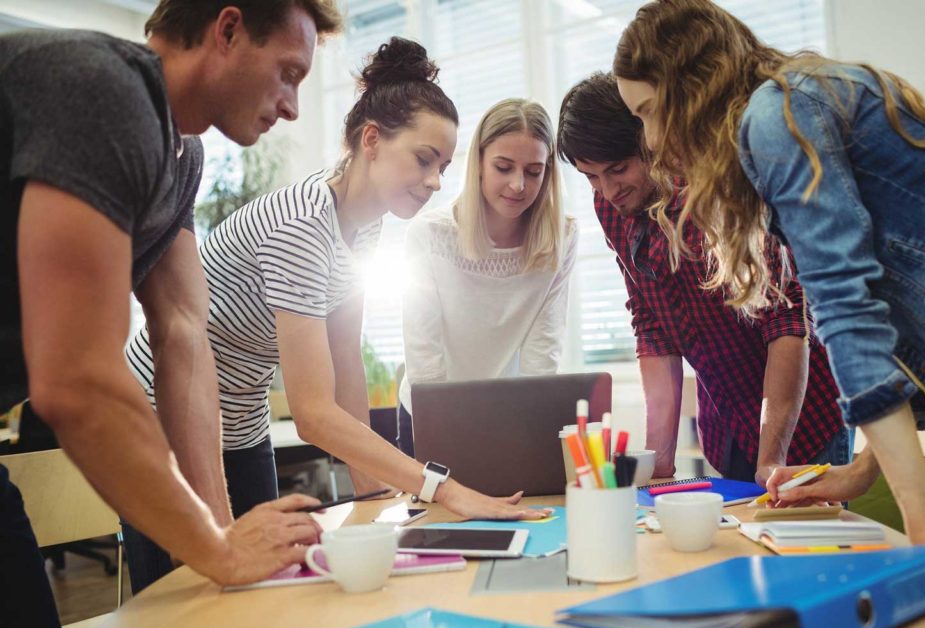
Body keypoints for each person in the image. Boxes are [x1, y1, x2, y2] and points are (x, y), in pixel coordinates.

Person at [613, 0, 925, 620]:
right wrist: (862, 472)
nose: (648, 136)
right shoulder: (798, 96)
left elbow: (849, 314)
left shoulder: (776, 118)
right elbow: (906, 312)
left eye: (646, 110)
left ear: (685, 89)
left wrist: (924, 525)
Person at [123, 37, 549, 592]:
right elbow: (313, 414)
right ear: (371, 140)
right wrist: (440, 488)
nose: (436, 181)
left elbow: (345, 359)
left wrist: (373, 494)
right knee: (184, 601)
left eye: (443, 165)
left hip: (241, 415)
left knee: (256, 590)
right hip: (164, 408)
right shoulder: (301, 225)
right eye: (424, 159)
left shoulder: (365, 226)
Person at [0, 1, 341, 628]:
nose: (292, 105)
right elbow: (75, 381)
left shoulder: (180, 155)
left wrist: (220, 539)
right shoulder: (104, 90)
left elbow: (185, 333)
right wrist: (216, 550)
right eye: (288, 72)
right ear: (229, 29)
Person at [557, 72, 848, 483]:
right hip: (727, 425)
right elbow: (652, 325)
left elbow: (785, 322)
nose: (606, 191)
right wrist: (658, 463)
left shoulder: (718, 190)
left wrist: (772, 460)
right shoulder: (613, 207)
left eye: (617, 169)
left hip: (802, 421)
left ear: (650, 141)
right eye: (591, 177)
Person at [398, 98, 578, 452]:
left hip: (510, 412)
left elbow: (543, 355)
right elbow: (424, 357)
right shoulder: (430, 234)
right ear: (478, 163)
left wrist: (529, 436)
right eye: (504, 167)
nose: (518, 185)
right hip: (430, 409)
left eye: (533, 171)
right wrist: (445, 434)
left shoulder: (562, 237)